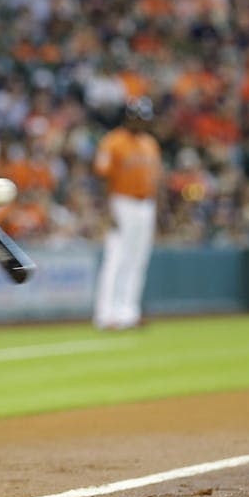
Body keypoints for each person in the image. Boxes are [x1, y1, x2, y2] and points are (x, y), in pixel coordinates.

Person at [92, 97, 163, 330]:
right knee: (117, 258)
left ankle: (129, 312)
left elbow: (155, 180)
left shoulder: (150, 143)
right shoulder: (113, 142)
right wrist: (107, 210)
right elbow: (102, 177)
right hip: (121, 202)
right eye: (137, 117)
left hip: (146, 204)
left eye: (144, 118)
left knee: (138, 260)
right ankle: (106, 314)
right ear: (127, 117)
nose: (141, 122)